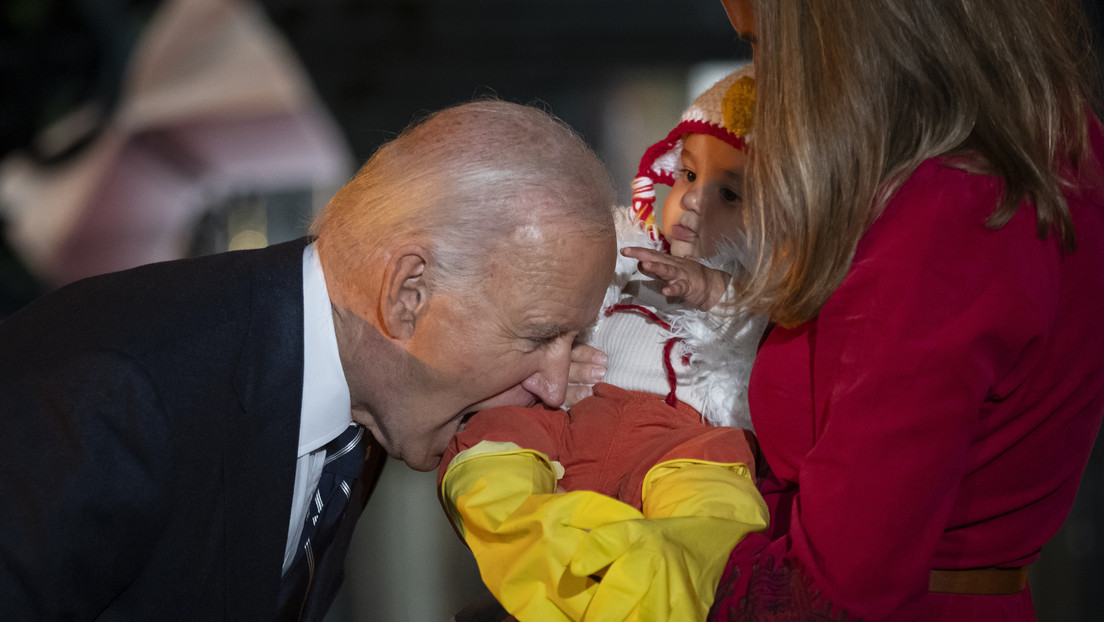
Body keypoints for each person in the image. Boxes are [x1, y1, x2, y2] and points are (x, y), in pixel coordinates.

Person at [579, 0, 1102, 619]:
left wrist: (607, 574)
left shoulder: (945, 213)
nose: (764, 86)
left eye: (768, 46)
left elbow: (837, 586)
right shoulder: (1054, 146)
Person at [0, 100, 618, 622]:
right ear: (409, 295)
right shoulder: (115, 395)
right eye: (540, 336)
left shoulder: (360, 397)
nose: (556, 384)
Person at [437, 66, 771, 622]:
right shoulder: (624, 243)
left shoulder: (764, 295)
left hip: (680, 448)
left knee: (721, 516)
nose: (690, 202)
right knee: (485, 457)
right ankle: (571, 561)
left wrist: (719, 291)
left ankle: (636, 576)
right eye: (687, 176)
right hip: (567, 418)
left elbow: (770, 335)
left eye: (729, 194)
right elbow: (546, 281)